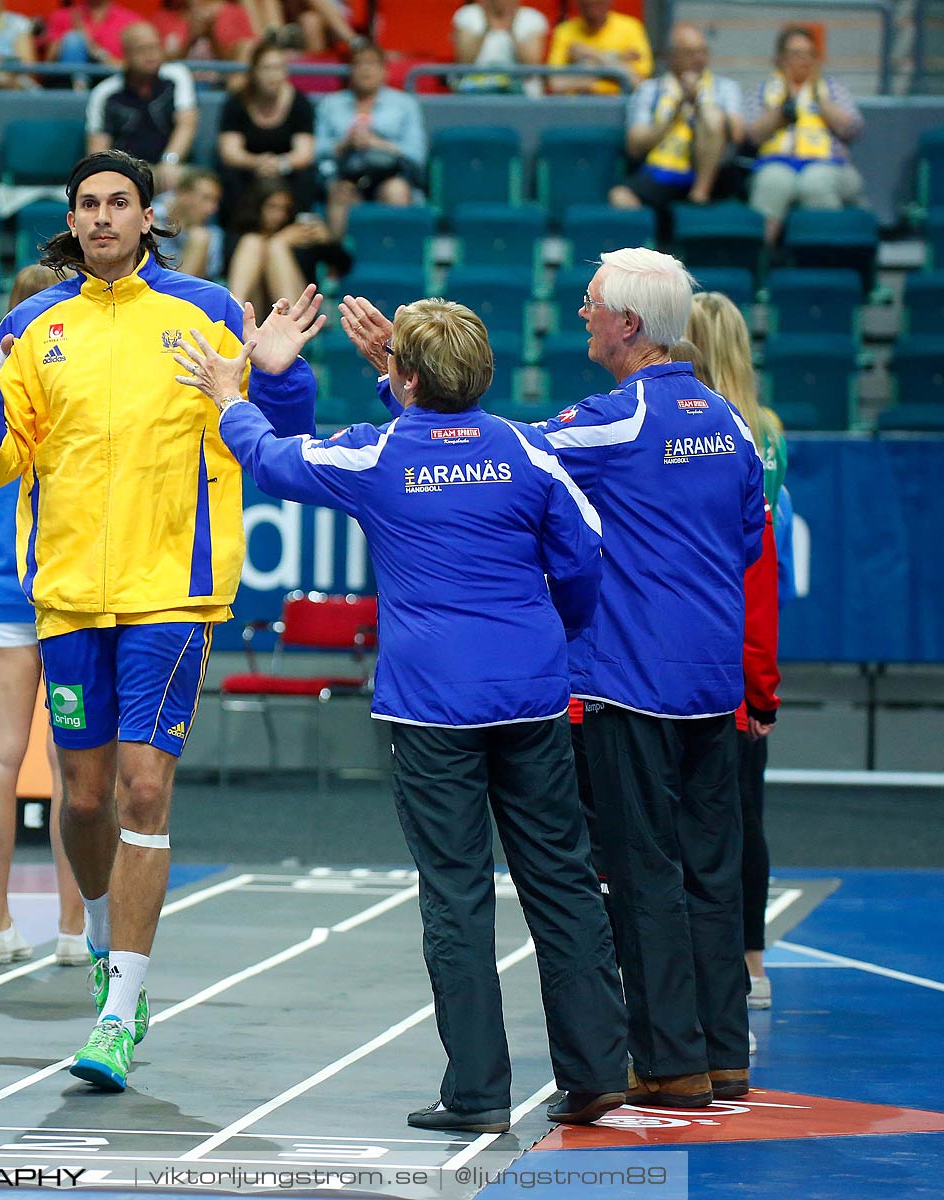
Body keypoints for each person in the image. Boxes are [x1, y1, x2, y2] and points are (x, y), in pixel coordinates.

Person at [182, 293, 630, 1132]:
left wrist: (231, 397)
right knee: (564, 880)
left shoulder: (379, 457)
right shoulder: (528, 452)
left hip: (431, 707)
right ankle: (599, 1069)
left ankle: (478, 1092)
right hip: (529, 693)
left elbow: (274, 460)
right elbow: (582, 562)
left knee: (456, 893)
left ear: (409, 377)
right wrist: (548, 638)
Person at [0, 148, 319, 1092]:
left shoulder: (202, 309)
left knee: (143, 792)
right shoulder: (35, 323)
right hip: (67, 593)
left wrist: (275, 376)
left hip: (174, 590)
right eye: (89, 204)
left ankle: (121, 1008)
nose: (105, 217)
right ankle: (102, 922)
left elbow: (277, 424)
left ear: (150, 217)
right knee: (81, 801)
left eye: (122, 202)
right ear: (72, 221)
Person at [529, 247, 765, 1108]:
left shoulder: (611, 419)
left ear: (629, 324)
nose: (582, 314)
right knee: (712, 867)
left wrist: (402, 395)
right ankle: (725, 1054)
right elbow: (746, 542)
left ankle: (668, 1063)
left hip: (631, 680)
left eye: (591, 304)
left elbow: (514, 460)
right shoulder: (732, 421)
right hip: (714, 681)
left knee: (642, 872)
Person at [0, 262, 90, 968]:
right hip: (64, 591)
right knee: (73, 758)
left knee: (0, 755)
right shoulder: (68, 374)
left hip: (0, 593)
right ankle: (74, 930)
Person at [683, 290, 786, 1016]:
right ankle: (749, 960)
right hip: (742, 634)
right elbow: (762, 551)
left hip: (684, 637)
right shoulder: (765, 429)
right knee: (743, 811)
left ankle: (682, 963)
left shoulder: (692, 429)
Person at [610, 25, 746, 228]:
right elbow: (634, 145)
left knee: (712, 115)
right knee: (619, 197)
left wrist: (699, 104)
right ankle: (653, 248)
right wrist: (676, 111)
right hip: (663, 170)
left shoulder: (725, 88)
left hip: (715, 175)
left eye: (703, 52)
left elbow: (737, 135)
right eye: (691, 53)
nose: (699, 59)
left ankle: (699, 195)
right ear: (672, 56)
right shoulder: (650, 90)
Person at [745, 26, 866, 245]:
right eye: (796, 54)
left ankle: (825, 257)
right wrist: (786, 105)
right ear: (780, 59)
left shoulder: (833, 89)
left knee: (815, 182)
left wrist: (818, 98)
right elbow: (753, 135)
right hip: (778, 163)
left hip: (830, 165)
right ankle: (761, 262)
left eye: (810, 54)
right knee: (773, 181)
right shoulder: (764, 91)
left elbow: (853, 128)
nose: (804, 60)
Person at [314, 42, 425, 235]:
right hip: (345, 174)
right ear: (350, 70)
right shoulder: (330, 105)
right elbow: (315, 150)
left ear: (385, 71)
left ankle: (392, 258)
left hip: (391, 173)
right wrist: (343, 144)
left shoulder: (405, 105)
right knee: (340, 192)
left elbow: (417, 153)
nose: (365, 69)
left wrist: (378, 144)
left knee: (396, 191)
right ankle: (337, 261)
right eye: (359, 63)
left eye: (372, 63)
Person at [85, 22, 198, 194]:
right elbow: (98, 147)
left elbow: (186, 124)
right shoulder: (105, 93)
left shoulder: (176, 77)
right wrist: (115, 175)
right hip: (125, 173)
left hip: (169, 168)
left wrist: (170, 160)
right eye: (142, 49)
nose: (151, 54)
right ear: (126, 55)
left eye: (155, 47)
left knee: (199, 185)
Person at [218, 38, 319, 222]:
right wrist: (256, 162)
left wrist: (281, 164)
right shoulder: (237, 102)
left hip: (286, 170)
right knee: (229, 175)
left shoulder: (300, 103)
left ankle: (297, 223)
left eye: (279, 68)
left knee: (306, 175)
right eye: (267, 68)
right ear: (254, 72)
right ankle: (237, 227)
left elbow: (304, 153)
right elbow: (230, 152)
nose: (273, 75)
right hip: (249, 169)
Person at [224, 176, 349, 318]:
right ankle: (234, 311)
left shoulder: (300, 234)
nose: (279, 215)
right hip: (254, 310)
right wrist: (278, 239)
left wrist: (328, 241)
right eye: (272, 207)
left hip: (296, 309)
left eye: (284, 208)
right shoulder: (241, 234)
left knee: (276, 247)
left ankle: (290, 321)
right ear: (258, 207)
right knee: (253, 242)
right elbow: (223, 267)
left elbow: (343, 265)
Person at [546, 0, 651, 96]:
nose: (592, 10)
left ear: (610, 2)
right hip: (577, 106)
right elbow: (555, 84)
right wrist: (617, 62)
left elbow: (638, 82)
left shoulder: (630, 27)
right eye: (586, 5)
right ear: (577, 4)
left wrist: (591, 56)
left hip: (619, 103)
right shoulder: (565, 31)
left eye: (598, 3)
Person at [451, 0, 548, 95]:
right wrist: (486, 28)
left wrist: (511, 29)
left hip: (520, 88)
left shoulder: (533, 18)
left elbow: (530, 67)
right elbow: (464, 61)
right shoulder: (468, 15)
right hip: (476, 86)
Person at [154, 166, 224, 280]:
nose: (213, 208)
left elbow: (209, 277)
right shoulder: (153, 215)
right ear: (183, 194)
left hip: (185, 292)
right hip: (147, 285)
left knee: (200, 237)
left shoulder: (211, 232)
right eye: (206, 198)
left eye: (215, 201)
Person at [44, 0, 141, 70]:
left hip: (112, 84)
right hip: (67, 85)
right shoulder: (63, 16)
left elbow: (134, 68)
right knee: (73, 40)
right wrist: (72, 42)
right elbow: (48, 65)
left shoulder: (131, 21)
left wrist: (94, 50)